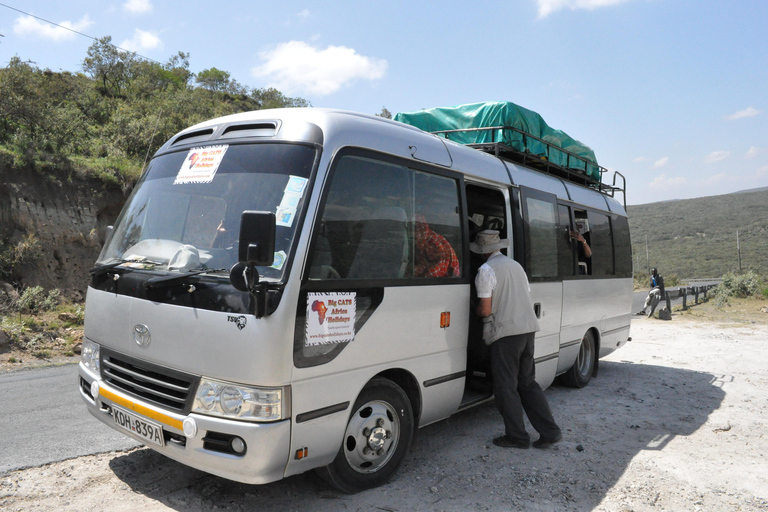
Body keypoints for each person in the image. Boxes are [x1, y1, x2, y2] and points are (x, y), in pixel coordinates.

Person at [471, 230, 562, 449]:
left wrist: (474, 311)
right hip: (527, 330)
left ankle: (517, 437)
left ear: (481, 251)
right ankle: (550, 432)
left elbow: (485, 310)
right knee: (527, 383)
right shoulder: (515, 265)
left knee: (505, 387)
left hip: (505, 334)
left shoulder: (485, 270)